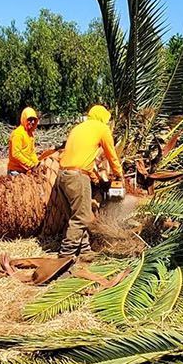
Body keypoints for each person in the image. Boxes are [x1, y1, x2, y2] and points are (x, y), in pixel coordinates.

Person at [57, 104, 123, 258]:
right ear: (103, 118)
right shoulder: (102, 128)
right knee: (82, 217)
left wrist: (96, 180)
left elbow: (82, 158)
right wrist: (119, 175)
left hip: (62, 176)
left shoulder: (78, 128)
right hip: (77, 178)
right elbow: (111, 155)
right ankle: (65, 256)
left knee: (75, 217)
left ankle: (85, 250)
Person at [7, 107, 41, 175]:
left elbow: (31, 152)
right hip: (16, 172)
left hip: (26, 170)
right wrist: (30, 165)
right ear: (24, 119)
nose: (33, 122)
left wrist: (37, 164)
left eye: (34, 120)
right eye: (30, 119)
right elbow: (16, 154)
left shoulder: (30, 134)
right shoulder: (18, 134)